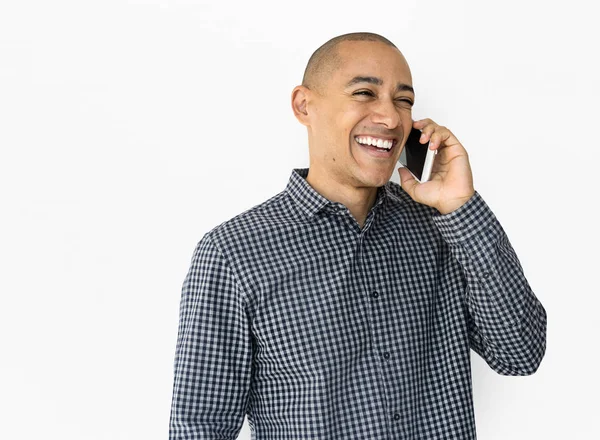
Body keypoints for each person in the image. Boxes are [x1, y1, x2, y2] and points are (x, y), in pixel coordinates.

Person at [168, 32, 547, 440]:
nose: (390, 118)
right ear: (304, 105)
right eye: (365, 92)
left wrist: (460, 207)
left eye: (404, 100)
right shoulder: (233, 253)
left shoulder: (441, 226)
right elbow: (199, 428)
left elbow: (520, 354)